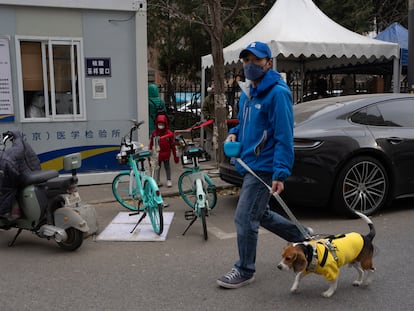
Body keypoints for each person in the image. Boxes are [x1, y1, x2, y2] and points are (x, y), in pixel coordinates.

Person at [217, 41, 312, 289]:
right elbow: (246, 123)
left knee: (244, 217)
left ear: (268, 62)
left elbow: (283, 136)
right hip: (248, 163)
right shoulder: (249, 92)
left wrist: (280, 172)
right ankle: (304, 236)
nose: (250, 65)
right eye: (246, 60)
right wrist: (234, 133)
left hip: (263, 166)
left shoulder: (278, 93)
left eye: (256, 60)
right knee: (261, 214)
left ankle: (245, 269)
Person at [149, 114, 179, 188]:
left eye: (162, 124)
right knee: (157, 168)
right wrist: (150, 155)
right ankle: (157, 180)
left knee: (167, 167)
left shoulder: (169, 134)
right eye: (159, 124)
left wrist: (176, 156)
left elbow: (173, 145)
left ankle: (169, 179)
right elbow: (151, 144)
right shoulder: (154, 133)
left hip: (166, 155)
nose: (160, 126)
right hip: (157, 154)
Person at [201, 85, 215, 154]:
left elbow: (226, 108)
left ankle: (218, 155)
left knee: (218, 139)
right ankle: (207, 153)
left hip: (218, 122)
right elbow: (204, 109)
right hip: (210, 122)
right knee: (209, 138)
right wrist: (208, 116)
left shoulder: (221, 98)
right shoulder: (208, 99)